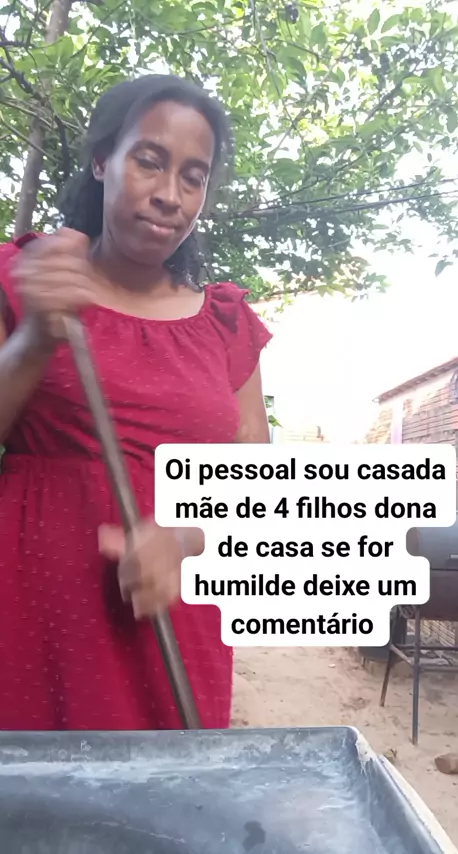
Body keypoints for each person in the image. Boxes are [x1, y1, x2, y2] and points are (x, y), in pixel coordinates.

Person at [0, 74, 272, 731]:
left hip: (174, 616)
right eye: (149, 161)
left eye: (193, 177)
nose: (169, 195)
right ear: (102, 162)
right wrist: (35, 337)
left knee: (169, 789)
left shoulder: (226, 322)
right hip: (34, 608)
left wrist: (183, 538)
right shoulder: (24, 278)